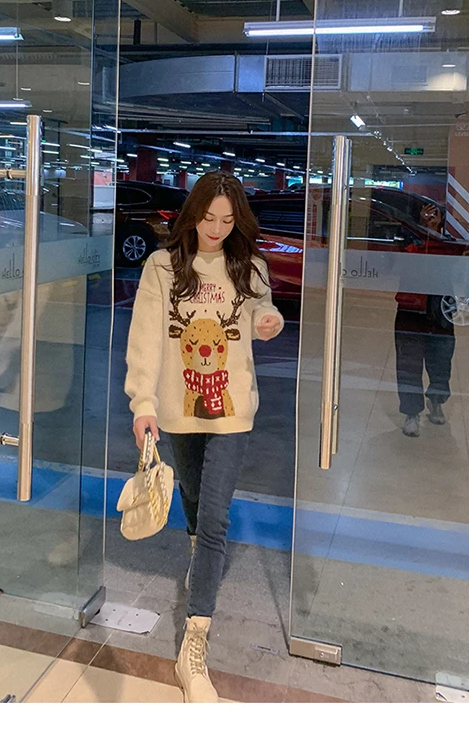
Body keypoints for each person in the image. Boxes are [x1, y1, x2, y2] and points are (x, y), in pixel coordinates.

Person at [124, 171, 284, 702]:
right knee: (192, 499)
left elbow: (262, 309)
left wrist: (268, 321)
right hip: (178, 410)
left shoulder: (249, 266)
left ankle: (194, 644)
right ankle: (202, 556)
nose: (216, 229)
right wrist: (143, 404)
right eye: (209, 218)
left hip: (233, 413)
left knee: (215, 516)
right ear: (192, 215)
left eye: (227, 220)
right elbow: (145, 339)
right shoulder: (162, 267)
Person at [395, 202, 456, 437]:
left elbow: (455, 269)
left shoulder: (448, 244)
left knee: (441, 361)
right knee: (408, 364)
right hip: (411, 308)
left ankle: (436, 401)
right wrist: (421, 234)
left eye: (435, 213)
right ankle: (412, 412)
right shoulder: (409, 241)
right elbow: (400, 263)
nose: (430, 217)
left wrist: (435, 235)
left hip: (440, 309)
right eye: (426, 212)